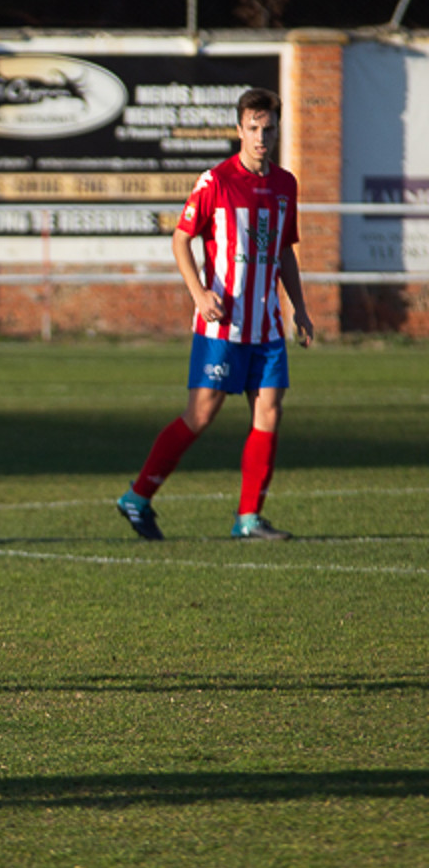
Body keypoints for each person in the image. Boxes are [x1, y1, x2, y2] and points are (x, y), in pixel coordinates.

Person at [117, 87, 315, 542]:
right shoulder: (216, 181)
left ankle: (248, 518)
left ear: (277, 128)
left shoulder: (286, 184)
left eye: (268, 129)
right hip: (222, 323)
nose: (261, 137)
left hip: (265, 325)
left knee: (270, 412)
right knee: (201, 415)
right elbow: (180, 239)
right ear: (238, 129)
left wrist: (299, 307)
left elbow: (284, 250)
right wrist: (199, 291)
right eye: (253, 129)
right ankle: (138, 495)